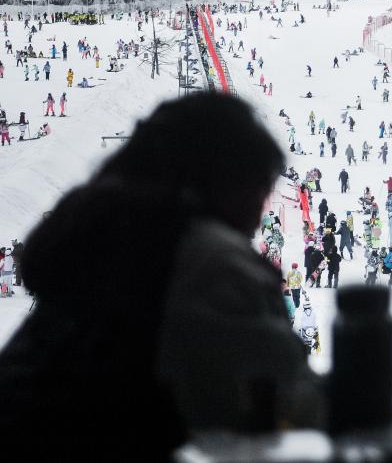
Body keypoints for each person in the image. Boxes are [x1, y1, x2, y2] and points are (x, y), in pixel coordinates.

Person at [0, 93, 320, 457]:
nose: (257, 210)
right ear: (226, 181)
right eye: (258, 187)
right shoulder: (201, 258)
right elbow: (283, 394)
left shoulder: (101, 236)